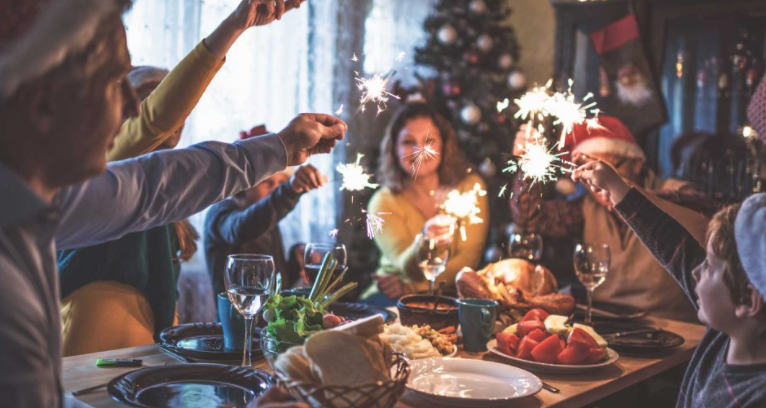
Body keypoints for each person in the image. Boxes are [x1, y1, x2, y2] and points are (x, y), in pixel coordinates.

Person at [0, 0, 343, 406]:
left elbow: (156, 186)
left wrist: (284, 146)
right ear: (43, 100)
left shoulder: (43, 205)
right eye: (113, 82)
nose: (131, 107)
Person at [56, 0, 299, 357]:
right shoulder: (104, 164)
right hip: (95, 330)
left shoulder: (169, 179)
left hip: (146, 332)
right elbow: (155, 121)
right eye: (144, 99)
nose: (178, 118)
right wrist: (234, 25)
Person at [572, 160, 766, 408]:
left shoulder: (756, 396)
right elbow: (672, 245)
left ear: (748, 301)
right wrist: (615, 187)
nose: (695, 271)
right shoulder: (727, 329)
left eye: (709, 266)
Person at [510, 116, 715, 322]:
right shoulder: (587, 208)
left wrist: (622, 190)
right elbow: (529, 218)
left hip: (673, 327)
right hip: (609, 323)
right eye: (590, 171)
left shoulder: (677, 193)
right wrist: (528, 167)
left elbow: (708, 210)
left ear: (636, 164)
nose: (597, 182)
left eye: (608, 169)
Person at [363, 102, 488, 305]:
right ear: (394, 149)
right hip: (391, 295)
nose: (419, 151)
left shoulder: (470, 188)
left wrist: (414, 287)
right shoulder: (383, 202)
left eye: (429, 140)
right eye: (408, 141)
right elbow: (407, 268)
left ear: (444, 144)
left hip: (448, 292)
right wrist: (425, 239)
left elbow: (468, 260)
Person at [205, 125, 328, 297]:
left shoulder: (268, 219)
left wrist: (296, 258)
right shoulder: (221, 212)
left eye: (281, 183)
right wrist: (289, 190)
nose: (275, 190)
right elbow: (241, 228)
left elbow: (276, 284)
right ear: (245, 182)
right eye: (268, 183)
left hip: (268, 320)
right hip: (238, 319)